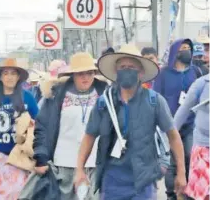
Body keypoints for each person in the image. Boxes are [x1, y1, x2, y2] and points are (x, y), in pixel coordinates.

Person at [74, 44, 187, 199]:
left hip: (144, 180)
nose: (127, 70)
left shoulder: (154, 101)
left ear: (140, 72)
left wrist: (181, 172)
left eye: (131, 67)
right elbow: (89, 137)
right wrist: (79, 169)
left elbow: (173, 136)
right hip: (112, 180)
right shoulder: (104, 103)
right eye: (123, 67)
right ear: (116, 71)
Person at [21, 52, 107, 200]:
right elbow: (42, 128)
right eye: (80, 73)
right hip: (64, 164)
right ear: (73, 74)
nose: (85, 77)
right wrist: (41, 157)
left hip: (95, 164)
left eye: (89, 73)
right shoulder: (56, 96)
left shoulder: (105, 94)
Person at [0, 58, 38, 200]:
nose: (9, 77)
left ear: (18, 77)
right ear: (0, 77)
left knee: (20, 196)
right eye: (5, 73)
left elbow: (39, 126)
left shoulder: (27, 97)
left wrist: (41, 156)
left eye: (13, 73)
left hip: (21, 158)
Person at [153, 38, 198, 200]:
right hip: (170, 126)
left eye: (188, 48)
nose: (187, 51)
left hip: (191, 124)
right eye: (183, 48)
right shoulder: (163, 74)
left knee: (189, 157)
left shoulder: (195, 72)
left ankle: (187, 192)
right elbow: (156, 97)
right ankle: (171, 194)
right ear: (174, 52)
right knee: (173, 162)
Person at [174, 74, 209, 200]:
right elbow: (183, 111)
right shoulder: (202, 84)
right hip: (203, 150)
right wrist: (168, 138)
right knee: (202, 196)